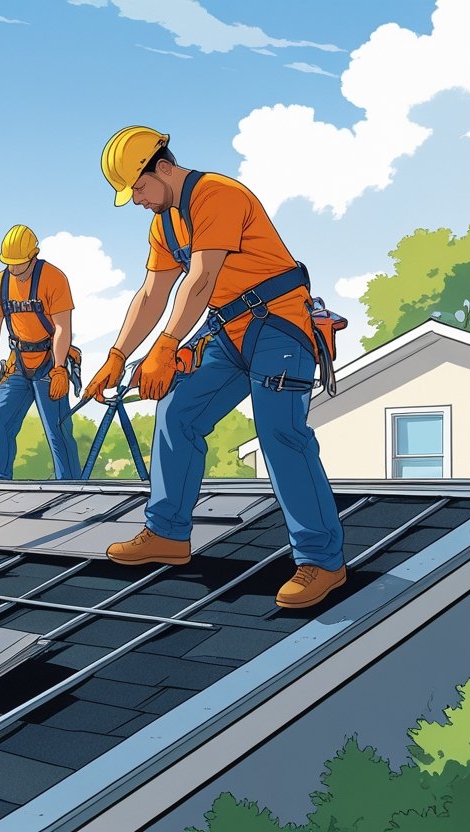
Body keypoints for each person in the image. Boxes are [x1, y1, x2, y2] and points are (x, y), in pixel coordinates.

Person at [87, 126, 345, 609]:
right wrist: (117, 356)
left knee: (280, 433)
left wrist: (166, 346)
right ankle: (167, 533)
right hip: (228, 333)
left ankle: (322, 560)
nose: (137, 199)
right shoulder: (165, 223)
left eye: (138, 188)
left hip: (279, 328)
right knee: (178, 413)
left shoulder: (217, 195)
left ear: (164, 168)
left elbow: (202, 278)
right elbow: (153, 293)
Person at [0, 224, 81, 480]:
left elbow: (62, 327)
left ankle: (70, 485)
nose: (13, 269)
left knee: (57, 429)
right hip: (18, 363)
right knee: (0, 422)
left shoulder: (53, 278)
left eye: (19, 264)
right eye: (9, 264)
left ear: (34, 256)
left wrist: (59, 370)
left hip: (49, 361)